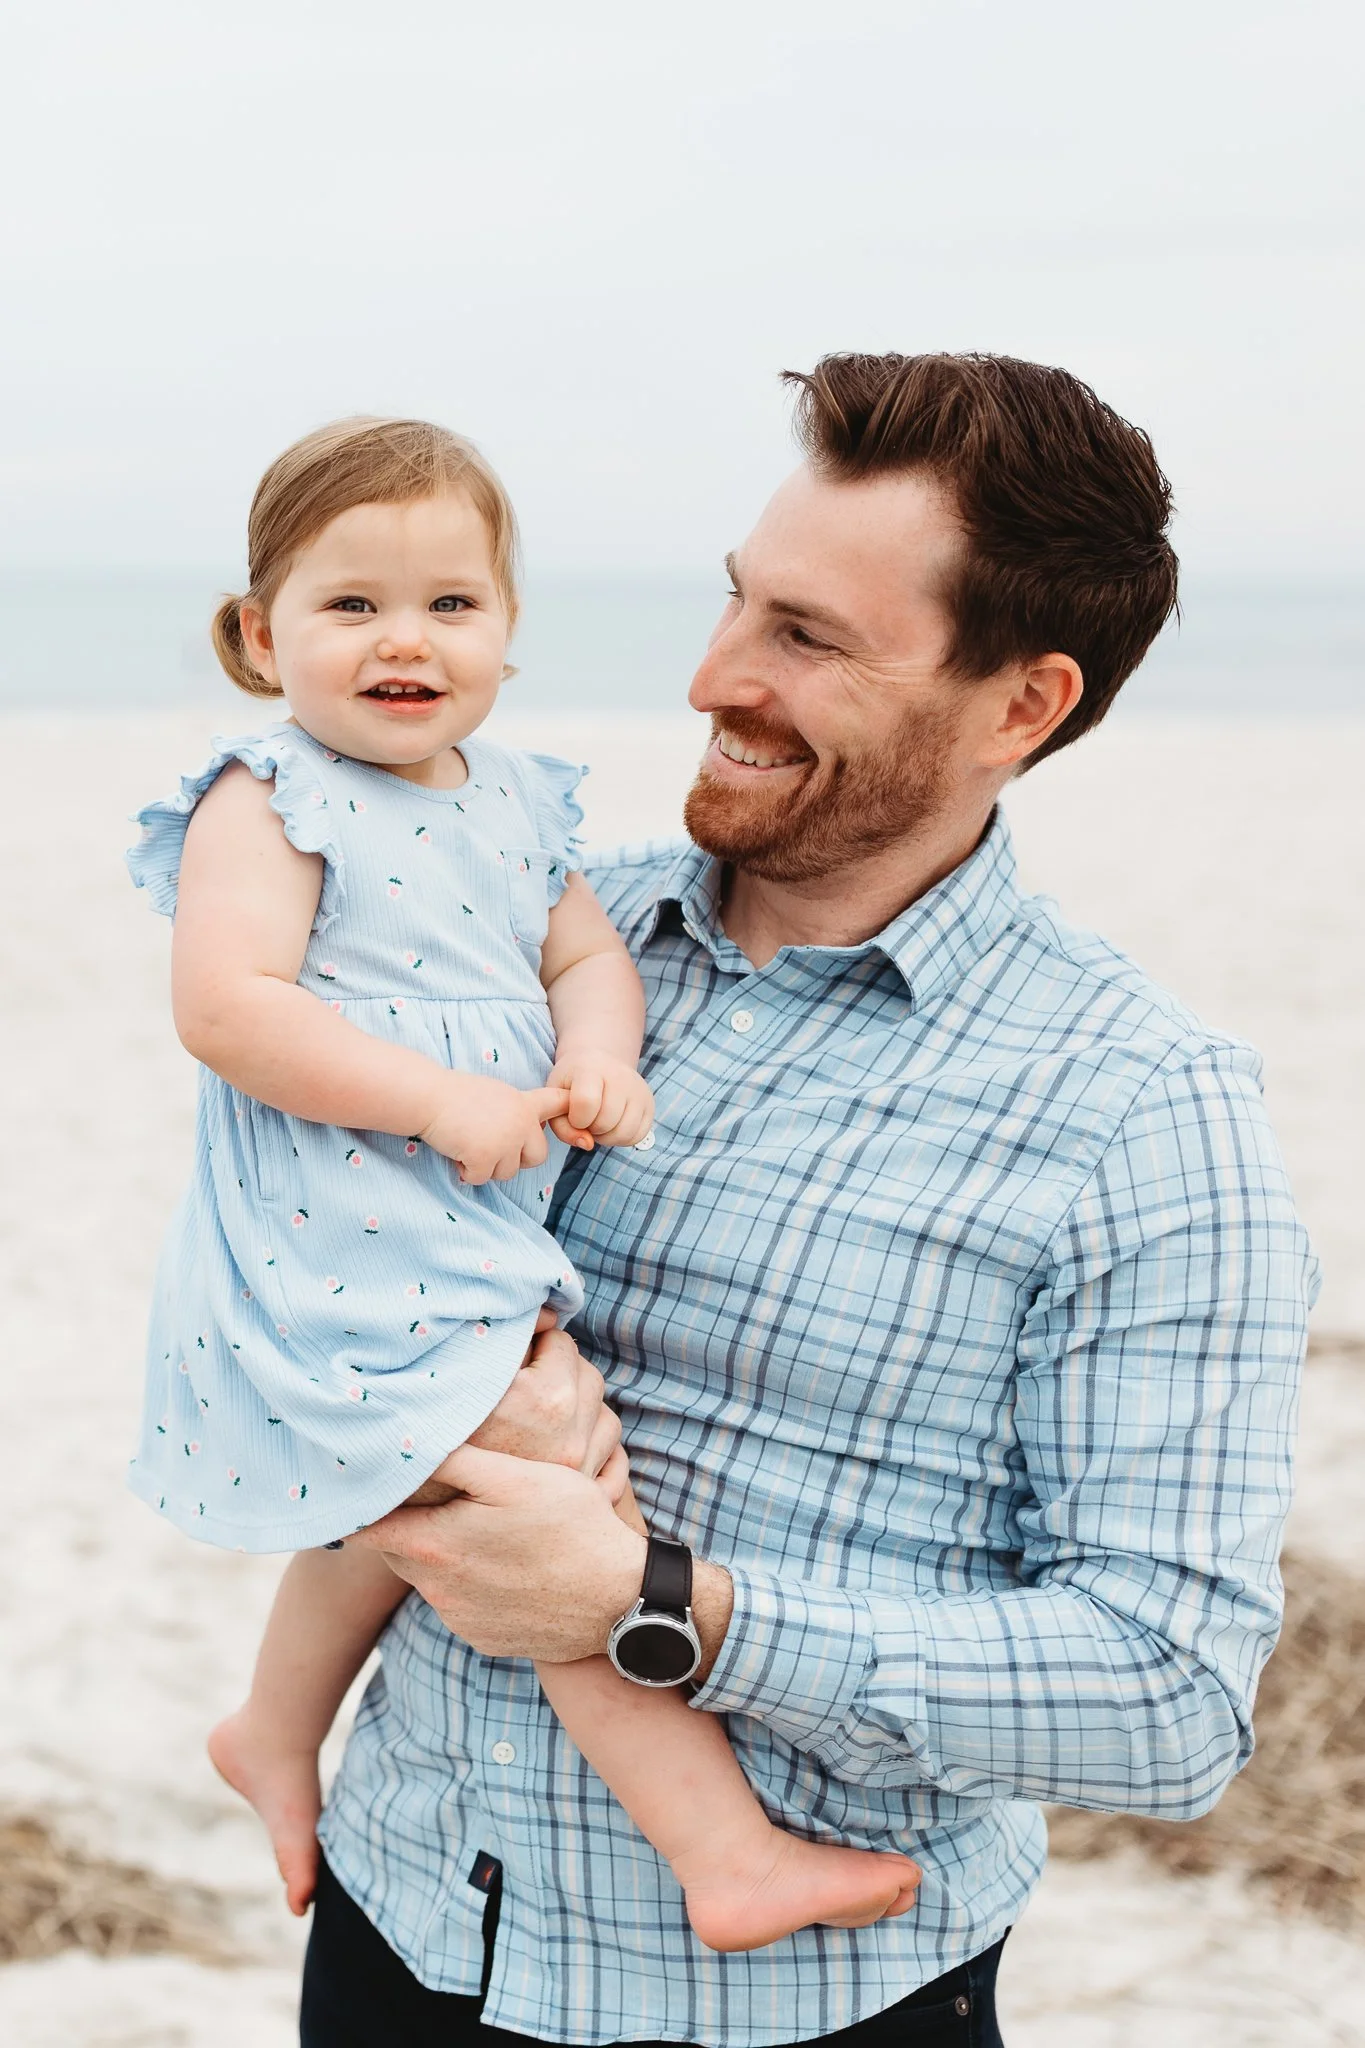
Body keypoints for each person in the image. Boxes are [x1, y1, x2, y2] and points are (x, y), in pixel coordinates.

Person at [301, 353, 1319, 2048]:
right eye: (735, 603)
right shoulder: (529, 941)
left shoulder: (1146, 1112)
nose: (715, 678)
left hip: (801, 2012)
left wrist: (666, 1614)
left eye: (811, 640)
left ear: (1023, 705)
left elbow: (1172, 1699)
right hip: (398, 1921)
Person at [126, 417, 922, 1958]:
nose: (403, 641)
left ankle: (272, 1730)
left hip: (459, 1224)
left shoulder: (509, 801)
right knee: (543, 1511)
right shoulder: (266, 796)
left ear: (506, 629)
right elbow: (227, 1006)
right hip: (340, 1232)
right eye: (349, 605)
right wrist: (436, 1096)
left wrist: (602, 1059)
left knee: (422, 1489)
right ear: (256, 633)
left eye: (450, 604)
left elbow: (582, 956)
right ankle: (724, 1852)